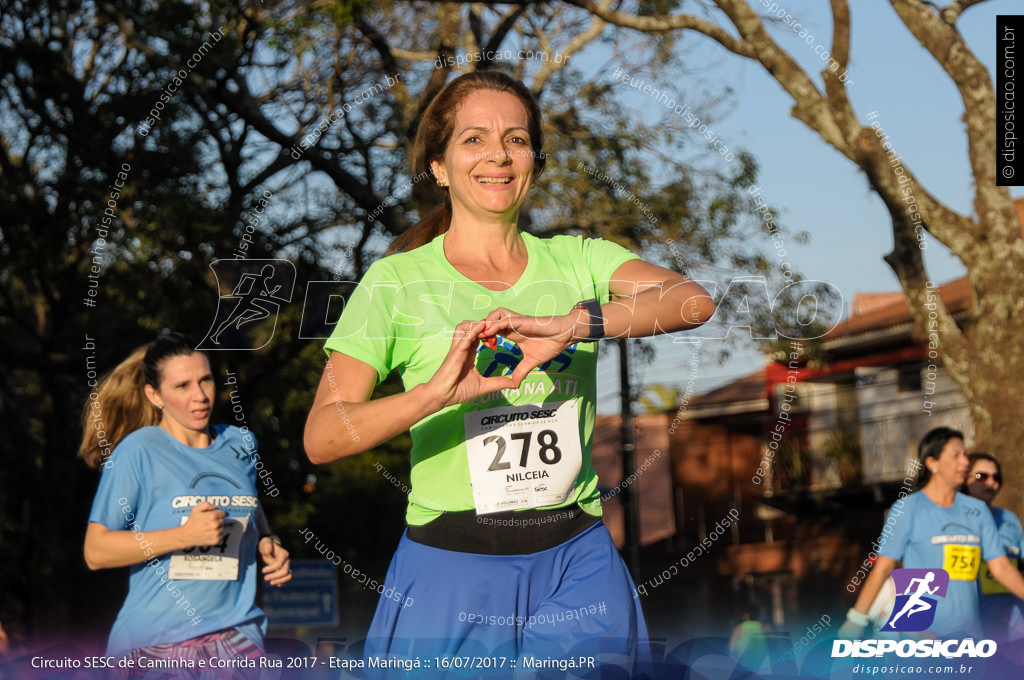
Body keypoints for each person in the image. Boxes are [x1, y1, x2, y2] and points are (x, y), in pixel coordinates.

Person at [304, 71, 715, 676]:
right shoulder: (394, 283)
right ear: (439, 167)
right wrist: (435, 393)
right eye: (473, 139)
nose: (497, 154)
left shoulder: (577, 260)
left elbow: (691, 300)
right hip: (452, 567)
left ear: (532, 161)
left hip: (577, 561)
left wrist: (575, 325)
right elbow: (323, 436)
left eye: (515, 139)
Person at [80, 332, 291, 674]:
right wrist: (185, 535)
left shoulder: (240, 443)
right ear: (155, 394)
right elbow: (96, 551)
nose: (200, 396)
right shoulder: (139, 451)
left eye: (205, 380)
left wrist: (269, 542)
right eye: (182, 386)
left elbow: (248, 504)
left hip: (237, 639)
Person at [838, 427, 1024, 640]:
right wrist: (856, 620)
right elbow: (883, 568)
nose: (965, 461)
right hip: (923, 635)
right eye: (956, 455)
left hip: (970, 637)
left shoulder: (977, 511)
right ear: (932, 462)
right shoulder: (907, 509)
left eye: (965, 455)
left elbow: (1001, 568)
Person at [963, 452, 1024, 643]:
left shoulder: (1010, 519)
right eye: (982, 476)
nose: (991, 483)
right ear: (965, 479)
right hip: (971, 637)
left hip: (1015, 633)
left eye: (996, 477)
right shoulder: (951, 523)